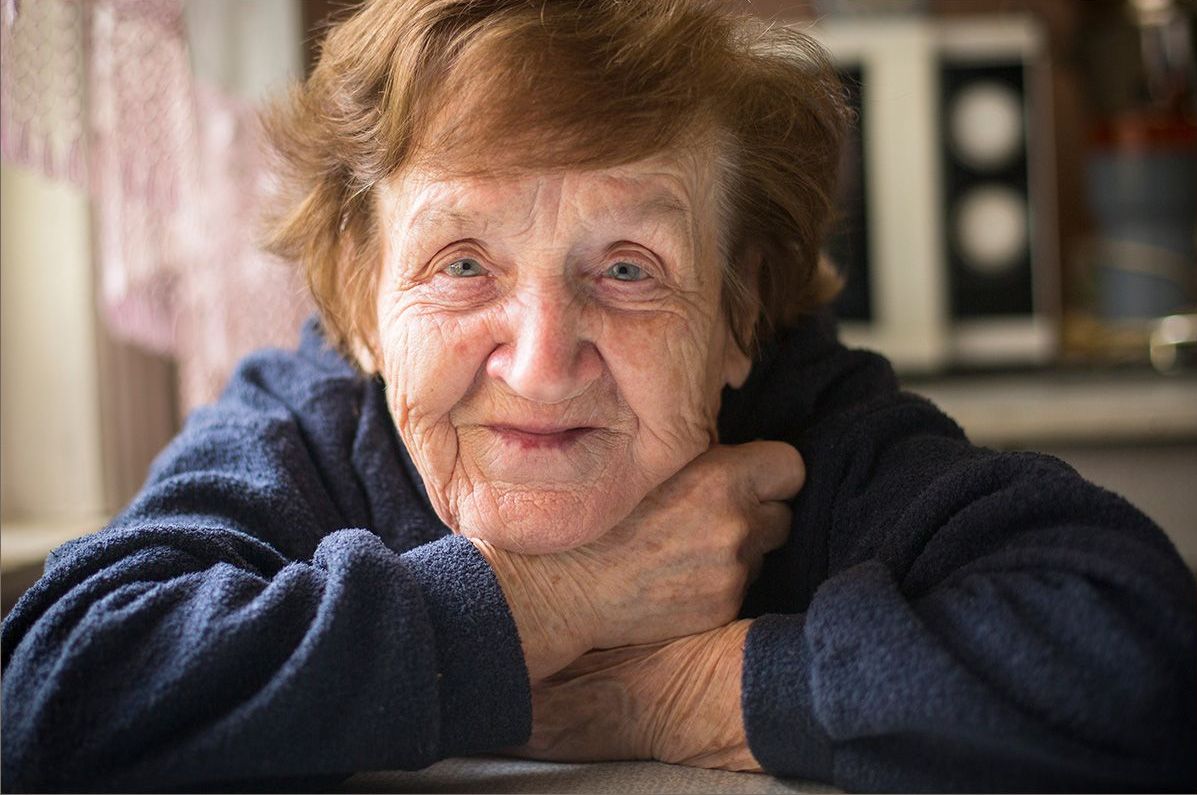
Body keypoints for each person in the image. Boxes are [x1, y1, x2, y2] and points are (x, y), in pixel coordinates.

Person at [2, 0, 1194, 791]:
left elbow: (1147, 661)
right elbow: (48, 692)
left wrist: (675, 697)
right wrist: (558, 601)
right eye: (463, 263)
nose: (542, 358)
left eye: (627, 270)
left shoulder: (812, 428)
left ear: (736, 314)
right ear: (360, 304)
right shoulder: (304, 426)